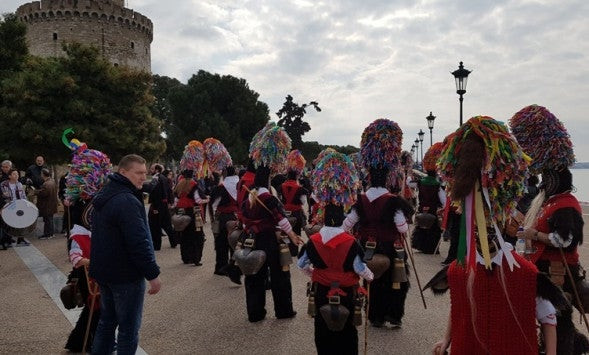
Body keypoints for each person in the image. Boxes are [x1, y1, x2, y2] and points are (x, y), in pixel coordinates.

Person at [431, 116, 559, 355]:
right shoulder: (460, 270)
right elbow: (459, 307)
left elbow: (548, 318)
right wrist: (446, 339)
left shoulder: (525, 273)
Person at [89, 154, 161, 355]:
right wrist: (152, 274)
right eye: (138, 173)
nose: (142, 177)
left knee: (107, 322)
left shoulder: (106, 194)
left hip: (106, 271)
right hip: (124, 274)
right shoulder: (126, 200)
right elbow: (138, 242)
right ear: (123, 172)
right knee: (128, 328)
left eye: (145, 173)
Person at [241, 165, 303, 322]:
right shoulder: (269, 199)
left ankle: (255, 313)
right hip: (270, 240)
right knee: (280, 276)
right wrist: (293, 235)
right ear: (268, 180)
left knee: (254, 277)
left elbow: (243, 222)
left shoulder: (248, 199)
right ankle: (283, 310)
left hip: (253, 240)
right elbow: (281, 220)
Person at [64, 202, 100, 352]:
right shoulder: (77, 236)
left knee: (94, 311)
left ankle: (78, 342)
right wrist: (97, 262)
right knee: (94, 310)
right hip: (86, 278)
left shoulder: (93, 233)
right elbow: (76, 260)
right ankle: (87, 342)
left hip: (96, 277)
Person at [174, 170, 208, 266]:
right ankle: (196, 259)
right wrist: (207, 199)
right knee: (198, 236)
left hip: (182, 212)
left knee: (185, 236)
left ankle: (186, 258)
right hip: (193, 213)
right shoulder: (194, 185)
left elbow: (175, 201)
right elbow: (198, 199)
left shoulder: (179, 185)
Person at [210, 166, 239, 276]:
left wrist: (213, 218)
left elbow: (213, 204)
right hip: (236, 216)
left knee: (221, 243)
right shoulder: (240, 185)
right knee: (235, 242)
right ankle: (234, 266)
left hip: (223, 217)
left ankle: (221, 267)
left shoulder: (221, 187)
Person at [1, 169, 30, 246]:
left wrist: (26, 204)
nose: (16, 175)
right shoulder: (4, 185)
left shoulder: (19, 184)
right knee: (8, 223)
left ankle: (21, 240)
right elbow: (3, 197)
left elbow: (23, 195)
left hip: (19, 206)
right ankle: (8, 240)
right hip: (9, 206)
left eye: (17, 174)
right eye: (14, 174)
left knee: (21, 222)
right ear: (9, 176)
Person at [35, 169, 58, 240]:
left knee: (47, 220)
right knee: (50, 219)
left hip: (47, 205)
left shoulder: (46, 184)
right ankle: (51, 233)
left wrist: (36, 192)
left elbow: (44, 193)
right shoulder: (52, 181)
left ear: (43, 174)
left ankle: (47, 234)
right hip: (52, 203)